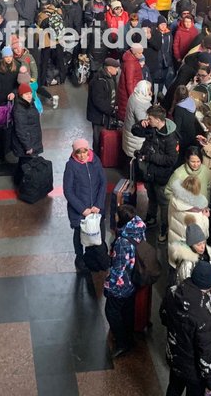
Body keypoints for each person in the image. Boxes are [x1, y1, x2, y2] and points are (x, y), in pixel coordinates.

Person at [160, 260, 211, 396]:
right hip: (193, 370)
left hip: (174, 356)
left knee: (174, 387)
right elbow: (206, 352)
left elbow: (163, 317)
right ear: (209, 283)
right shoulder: (203, 315)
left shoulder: (173, 291)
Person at [132, 105, 180, 243]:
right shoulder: (151, 128)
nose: (148, 120)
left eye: (150, 118)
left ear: (158, 120)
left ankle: (164, 228)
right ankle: (151, 217)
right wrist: (140, 124)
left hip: (161, 175)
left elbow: (171, 160)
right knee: (151, 196)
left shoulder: (171, 138)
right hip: (149, 172)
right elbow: (134, 131)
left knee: (163, 202)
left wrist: (151, 157)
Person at [104, 205, 145, 359]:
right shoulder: (139, 230)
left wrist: (109, 286)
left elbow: (119, 268)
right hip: (135, 279)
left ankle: (122, 342)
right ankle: (129, 337)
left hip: (123, 284)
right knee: (128, 309)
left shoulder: (122, 242)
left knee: (111, 311)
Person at [62, 138, 107, 274]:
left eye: (84, 152)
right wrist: (83, 209)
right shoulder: (71, 166)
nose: (82, 155)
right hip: (80, 211)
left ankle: (95, 256)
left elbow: (103, 182)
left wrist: (98, 205)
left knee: (99, 233)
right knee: (79, 235)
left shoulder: (95, 161)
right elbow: (68, 191)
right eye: (78, 152)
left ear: (88, 150)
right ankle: (79, 257)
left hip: (95, 209)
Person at [87, 57, 120, 157]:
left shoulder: (110, 77)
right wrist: (110, 110)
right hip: (99, 117)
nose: (117, 70)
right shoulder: (99, 80)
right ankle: (97, 157)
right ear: (109, 68)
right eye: (116, 68)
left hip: (106, 115)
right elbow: (98, 101)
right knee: (98, 139)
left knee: (103, 138)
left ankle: (103, 156)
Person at [9, 83, 43, 165]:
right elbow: (21, 130)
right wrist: (28, 146)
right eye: (26, 94)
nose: (29, 96)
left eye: (30, 93)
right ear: (21, 95)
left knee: (24, 166)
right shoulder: (19, 110)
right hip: (27, 144)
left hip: (32, 139)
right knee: (27, 166)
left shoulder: (30, 103)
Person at [122, 80, 153, 163]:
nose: (150, 92)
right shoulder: (138, 103)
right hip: (135, 137)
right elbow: (143, 121)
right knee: (133, 160)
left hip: (129, 132)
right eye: (149, 90)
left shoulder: (135, 96)